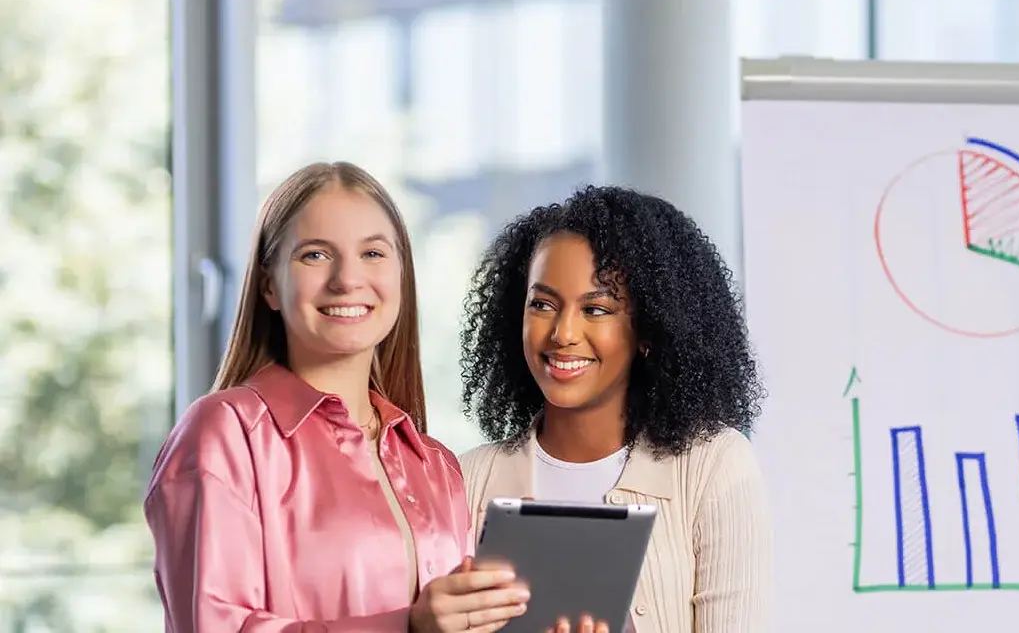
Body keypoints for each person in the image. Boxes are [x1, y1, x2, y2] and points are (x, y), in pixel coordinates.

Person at [145, 161, 548, 631]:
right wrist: (407, 627)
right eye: (315, 255)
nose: (347, 280)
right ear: (269, 284)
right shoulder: (226, 434)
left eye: (373, 254)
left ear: (401, 275)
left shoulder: (434, 465)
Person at [457, 185, 771, 632]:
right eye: (542, 304)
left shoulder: (713, 465)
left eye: (597, 309)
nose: (563, 333)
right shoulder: (466, 480)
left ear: (648, 330)